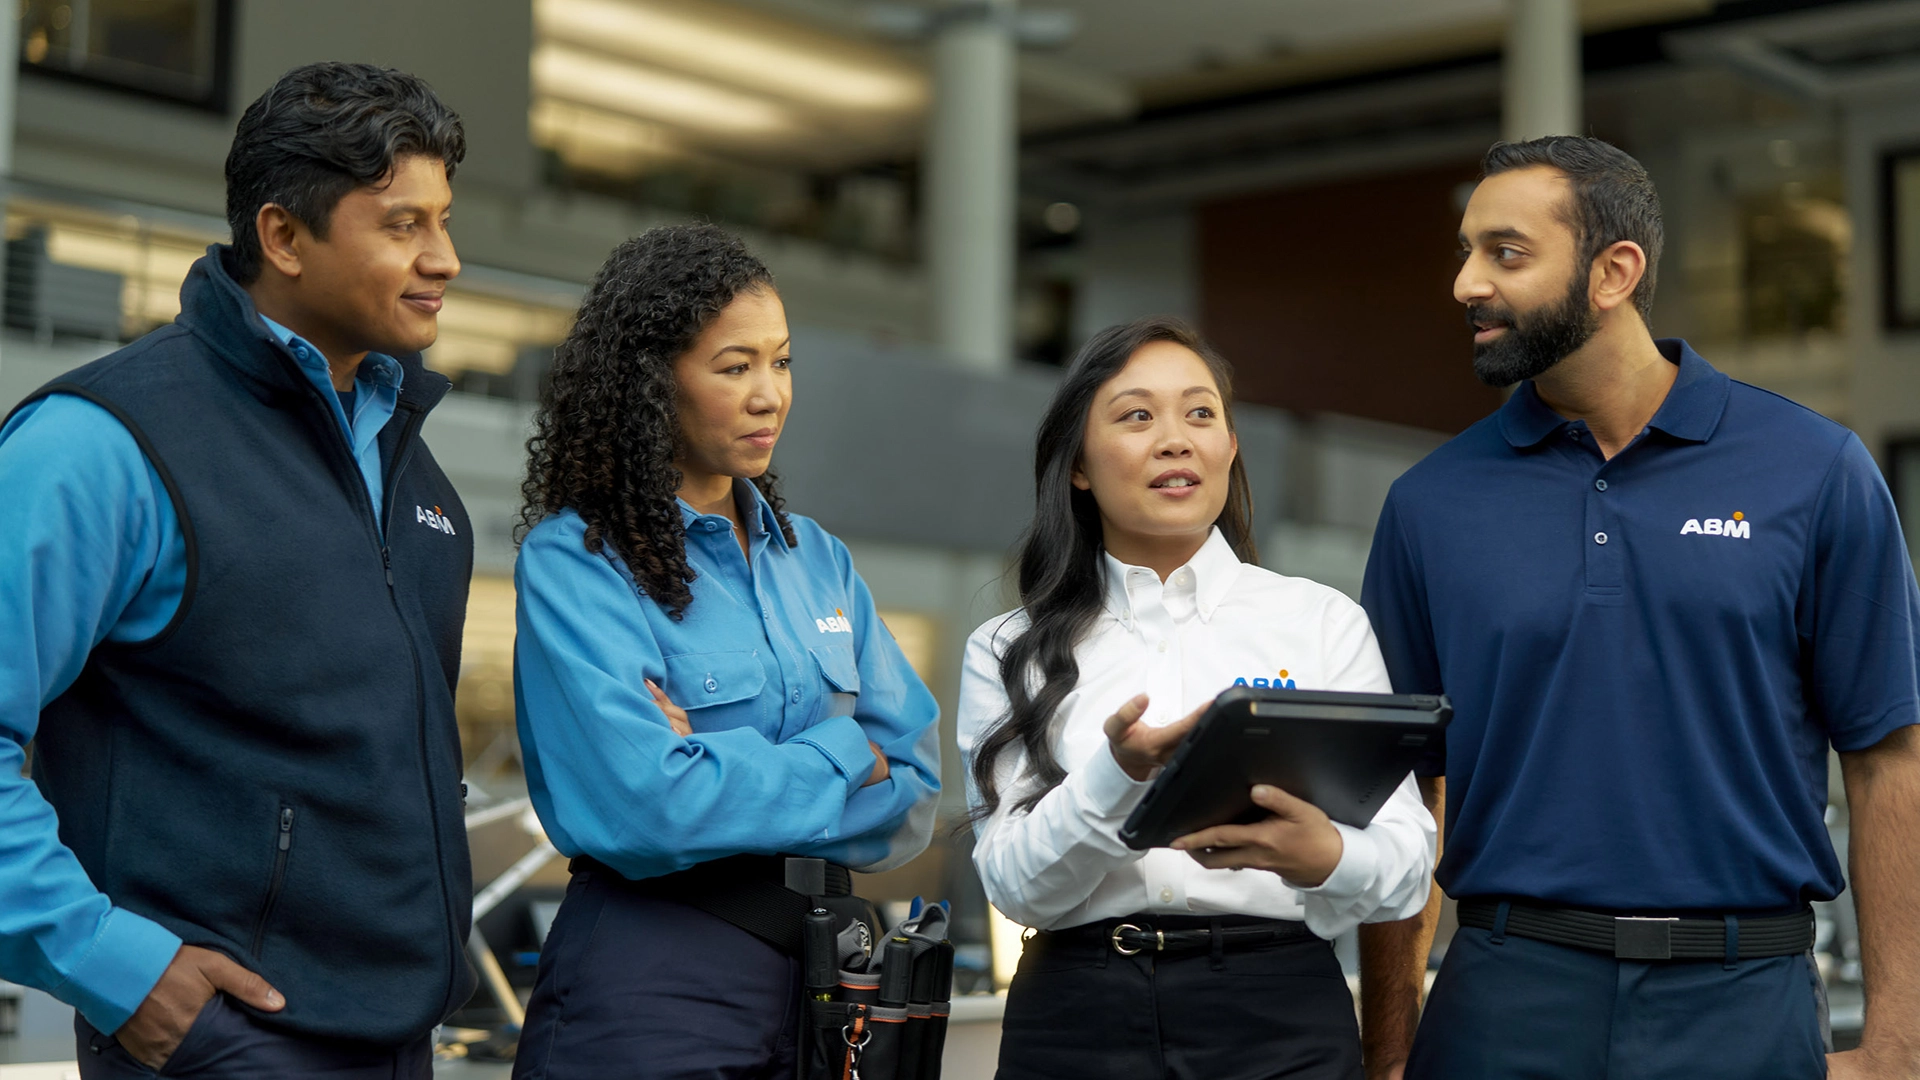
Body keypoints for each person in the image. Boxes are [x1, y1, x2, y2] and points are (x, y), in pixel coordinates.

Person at [1360, 135, 1920, 1080]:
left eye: (1505, 253)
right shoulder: (1429, 504)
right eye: (1466, 252)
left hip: (1744, 1004)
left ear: (1615, 271)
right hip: (1503, 1001)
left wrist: (1901, 1045)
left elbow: (1889, 758)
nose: (1465, 284)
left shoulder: (1817, 470)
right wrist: (1387, 1052)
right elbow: (1398, 788)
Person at [0, 63, 475, 1078]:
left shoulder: (414, 468)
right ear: (284, 236)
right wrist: (115, 967)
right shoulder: (101, 445)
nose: (446, 258)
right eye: (403, 225)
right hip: (226, 1036)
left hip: (399, 1036)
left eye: (443, 221)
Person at [509, 223, 942, 1080]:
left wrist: (713, 768)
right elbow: (647, 806)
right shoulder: (580, 560)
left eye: (781, 363)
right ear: (651, 383)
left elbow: (917, 787)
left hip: (824, 979)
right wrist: (841, 749)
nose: (769, 394)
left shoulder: (816, 559)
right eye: (734, 366)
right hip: (655, 978)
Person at [957, 316, 1437, 1080]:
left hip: (1278, 1010)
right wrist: (1119, 778)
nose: (1175, 439)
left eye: (1200, 413)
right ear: (1078, 465)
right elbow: (1015, 888)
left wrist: (1325, 856)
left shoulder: (1319, 623)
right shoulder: (1008, 647)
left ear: (1229, 447)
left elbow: (1410, 863)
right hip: (1076, 1017)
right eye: (1137, 415)